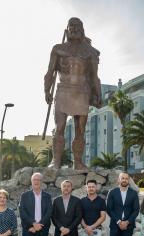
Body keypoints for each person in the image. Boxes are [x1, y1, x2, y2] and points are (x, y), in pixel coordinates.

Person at [44, 17, 102, 170]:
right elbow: (50, 72)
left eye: (78, 26)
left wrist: (98, 94)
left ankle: (78, 162)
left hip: (82, 92)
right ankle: (56, 161)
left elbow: (94, 77)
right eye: (72, 26)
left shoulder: (90, 52)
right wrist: (46, 90)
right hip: (63, 90)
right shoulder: (58, 49)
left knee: (80, 130)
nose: (75, 29)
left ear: (82, 30)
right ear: (67, 29)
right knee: (60, 127)